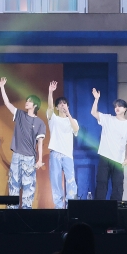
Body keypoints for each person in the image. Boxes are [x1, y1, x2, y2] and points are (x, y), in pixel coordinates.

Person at [0, 77, 46, 209]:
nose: (26, 102)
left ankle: (26, 214)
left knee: (28, 188)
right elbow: (7, 103)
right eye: (27, 100)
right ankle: (11, 214)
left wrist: (39, 160)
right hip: (17, 155)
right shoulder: (20, 114)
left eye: (29, 101)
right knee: (13, 185)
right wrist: (2, 87)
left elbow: (40, 143)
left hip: (30, 158)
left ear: (35, 105)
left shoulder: (40, 123)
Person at [90, 89, 127, 200]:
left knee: (118, 187)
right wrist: (96, 99)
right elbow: (93, 113)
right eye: (115, 106)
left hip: (118, 160)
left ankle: (115, 211)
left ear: (125, 109)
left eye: (120, 106)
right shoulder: (108, 118)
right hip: (105, 156)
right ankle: (99, 210)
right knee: (101, 184)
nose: (117, 108)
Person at [46, 81, 79, 209]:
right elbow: (49, 108)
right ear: (57, 107)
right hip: (55, 153)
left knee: (71, 181)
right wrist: (50, 92)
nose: (62, 105)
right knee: (56, 182)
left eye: (64, 103)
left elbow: (76, 129)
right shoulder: (53, 118)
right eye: (60, 104)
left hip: (67, 155)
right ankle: (59, 207)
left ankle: (71, 207)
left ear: (68, 106)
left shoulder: (72, 120)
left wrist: (68, 114)